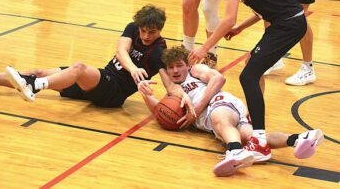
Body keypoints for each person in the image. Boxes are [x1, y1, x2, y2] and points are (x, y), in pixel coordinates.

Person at [188, 0, 314, 161]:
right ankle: (257, 126)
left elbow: (227, 18)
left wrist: (205, 47)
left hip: (286, 25)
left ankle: (259, 141)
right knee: (251, 66)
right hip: (287, 21)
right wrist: (240, 29)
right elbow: (263, 6)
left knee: (248, 75)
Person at [0, 5, 195, 124]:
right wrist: (133, 69)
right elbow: (121, 50)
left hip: (113, 93)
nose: (146, 35)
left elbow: (170, 86)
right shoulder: (133, 28)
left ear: (160, 30)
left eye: (152, 32)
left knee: (78, 67)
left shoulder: (158, 50)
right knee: (38, 71)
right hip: (100, 80)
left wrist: (184, 96)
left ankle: (34, 86)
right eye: (143, 31)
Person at [138, 46, 324, 177]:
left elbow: (218, 79)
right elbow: (162, 113)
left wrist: (198, 107)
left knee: (220, 120)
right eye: (171, 68)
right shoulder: (174, 93)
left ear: (187, 64)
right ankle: (299, 139)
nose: (175, 70)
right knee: (248, 136)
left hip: (220, 104)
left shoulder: (196, 70)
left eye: (179, 65)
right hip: (219, 120)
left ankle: (234, 151)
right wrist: (145, 93)